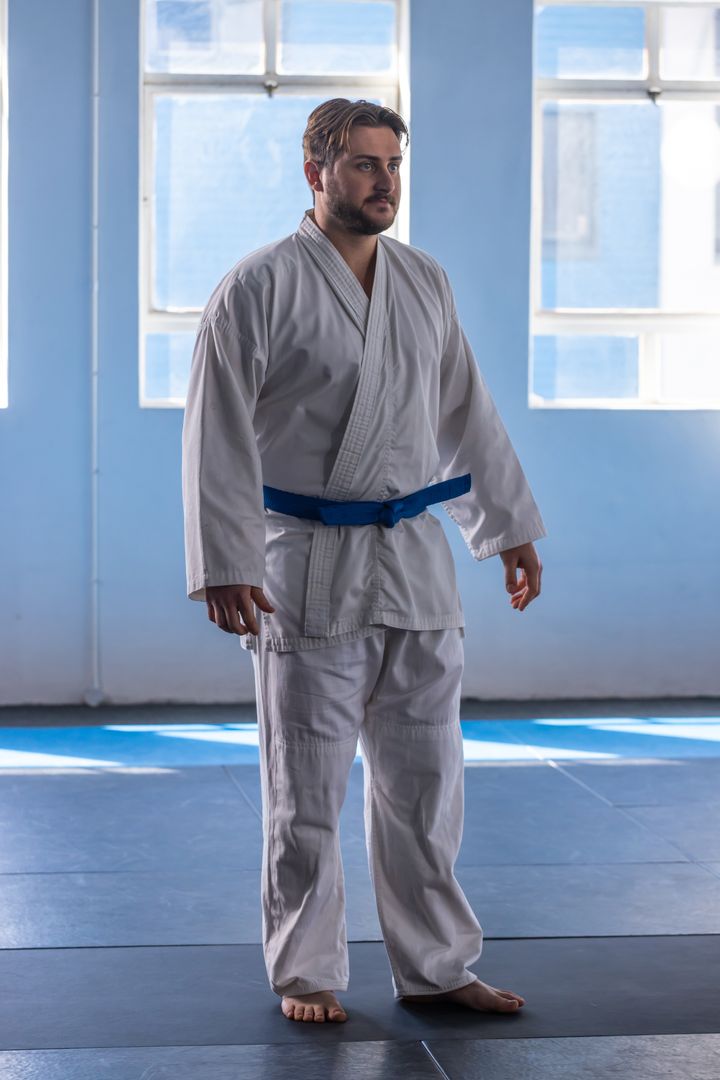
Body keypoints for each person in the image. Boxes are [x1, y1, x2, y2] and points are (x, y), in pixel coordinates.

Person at [182, 98, 546, 1025]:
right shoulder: (257, 286)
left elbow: (465, 408)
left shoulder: (425, 281)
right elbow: (216, 435)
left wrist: (506, 525)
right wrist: (224, 559)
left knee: (427, 783)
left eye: (392, 164)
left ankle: (437, 964)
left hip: (415, 558)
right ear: (316, 173)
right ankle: (305, 968)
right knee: (304, 784)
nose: (384, 182)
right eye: (363, 166)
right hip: (302, 559)